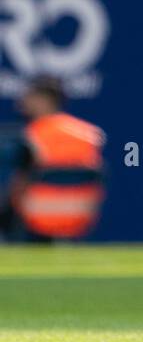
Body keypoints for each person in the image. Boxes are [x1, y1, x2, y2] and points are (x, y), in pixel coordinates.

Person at [0, 77, 106, 243]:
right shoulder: (89, 134)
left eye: (29, 96)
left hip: (35, 216)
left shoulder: (34, 136)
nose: (22, 101)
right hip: (80, 217)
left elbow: (17, 173)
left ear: (44, 100)